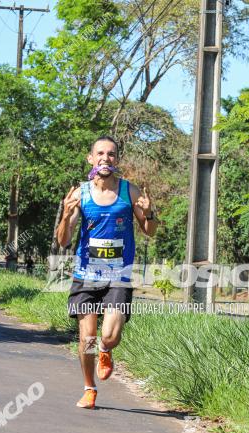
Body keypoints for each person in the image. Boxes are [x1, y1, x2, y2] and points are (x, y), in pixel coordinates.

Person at [55, 135, 158, 409]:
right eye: (100, 153)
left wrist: (149, 214)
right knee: (86, 337)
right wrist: (66, 216)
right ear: (91, 159)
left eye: (111, 154)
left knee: (110, 336)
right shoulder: (80, 194)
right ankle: (89, 388)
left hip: (118, 275)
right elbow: (63, 241)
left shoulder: (130, 192)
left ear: (117, 160)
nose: (105, 158)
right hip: (86, 275)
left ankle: (105, 351)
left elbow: (150, 232)